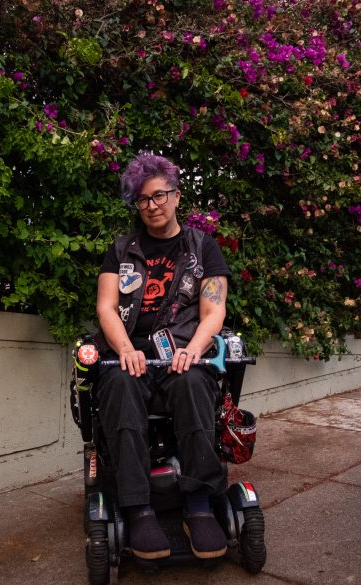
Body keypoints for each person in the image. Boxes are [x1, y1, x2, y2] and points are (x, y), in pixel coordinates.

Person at [95, 153, 231, 561]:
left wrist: (193, 350)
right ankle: (138, 509)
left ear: (176, 196)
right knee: (119, 385)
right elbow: (106, 307)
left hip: (184, 354)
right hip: (130, 355)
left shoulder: (203, 247)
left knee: (194, 384)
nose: (152, 205)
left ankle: (199, 506)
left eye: (159, 196)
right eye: (142, 199)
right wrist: (125, 349)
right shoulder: (120, 250)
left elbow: (214, 310)